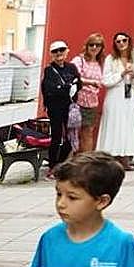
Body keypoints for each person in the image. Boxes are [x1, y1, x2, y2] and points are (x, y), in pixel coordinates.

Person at [98, 32, 134, 171]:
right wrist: (121, 74)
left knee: (129, 125)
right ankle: (112, 157)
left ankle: (126, 158)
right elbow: (106, 80)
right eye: (118, 41)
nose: (122, 43)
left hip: (130, 95)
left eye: (124, 40)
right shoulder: (111, 59)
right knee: (114, 125)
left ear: (129, 41)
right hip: (115, 96)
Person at [40, 39, 82, 176]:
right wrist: (68, 87)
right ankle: (53, 166)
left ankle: (62, 163)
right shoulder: (49, 70)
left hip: (70, 108)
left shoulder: (71, 67)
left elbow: (79, 83)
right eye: (55, 51)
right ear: (51, 54)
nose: (59, 53)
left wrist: (70, 87)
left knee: (71, 137)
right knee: (57, 137)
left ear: (66, 51)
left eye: (61, 50)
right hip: (55, 108)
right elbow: (50, 89)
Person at [73, 33, 105, 153]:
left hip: (92, 102)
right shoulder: (79, 60)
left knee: (88, 132)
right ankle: (72, 161)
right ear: (86, 46)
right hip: (78, 100)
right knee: (74, 133)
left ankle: (86, 159)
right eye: (92, 44)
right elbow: (74, 77)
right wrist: (90, 82)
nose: (94, 48)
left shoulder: (100, 63)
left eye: (98, 45)